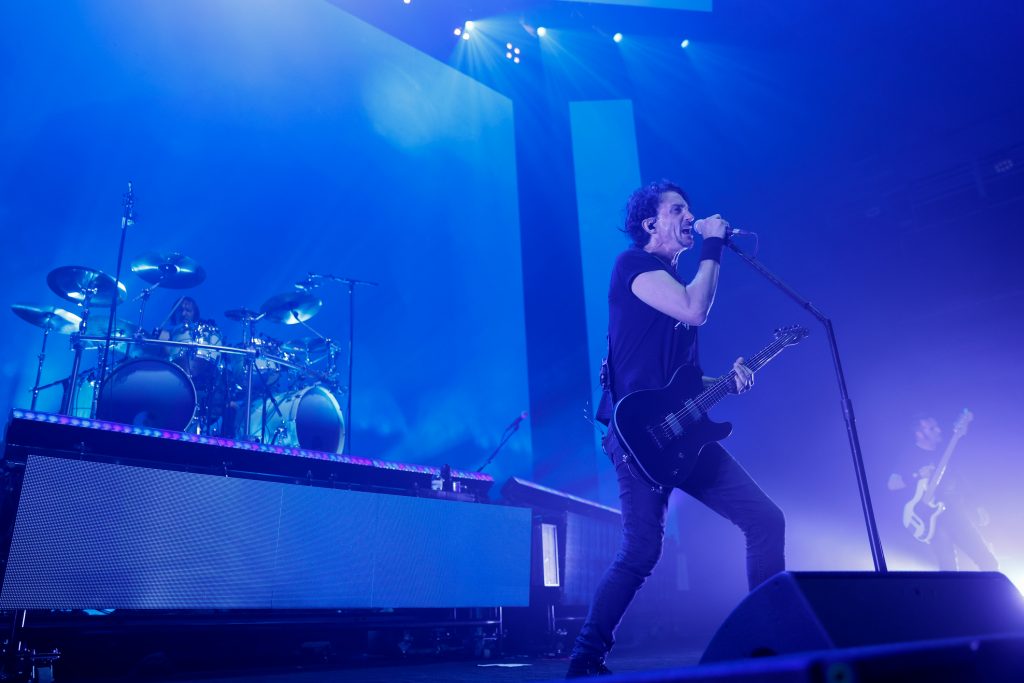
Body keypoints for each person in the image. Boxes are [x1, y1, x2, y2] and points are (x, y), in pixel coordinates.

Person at [567, 180, 786, 678]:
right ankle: (585, 659)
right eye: (678, 210)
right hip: (639, 437)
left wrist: (724, 380)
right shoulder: (634, 267)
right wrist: (712, 243)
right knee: (641, 549)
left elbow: (678, 380)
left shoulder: (675, 287)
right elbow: (695, 307)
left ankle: (769, 644)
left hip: (683, 431)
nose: (690, 215)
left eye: (690, 209)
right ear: (651, 223)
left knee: (766, 520)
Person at [887, 414, 997, 571]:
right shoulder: (909, 454)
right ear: (919, 433)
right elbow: (892, 484)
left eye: (937, 426)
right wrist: (917, 475)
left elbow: (961, 480)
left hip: (956, 513)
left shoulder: (945, 451)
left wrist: (977, 505)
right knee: (949, 569)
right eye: (932, 428)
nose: (938, 430)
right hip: (933, 520)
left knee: (988, 562)